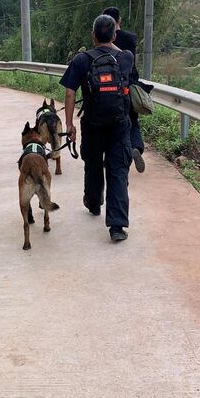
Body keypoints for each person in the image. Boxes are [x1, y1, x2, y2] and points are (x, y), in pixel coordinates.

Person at [60, 14, 134, 242]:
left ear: (92, 36)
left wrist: (69, 123)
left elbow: (70, 92)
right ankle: (117, 226)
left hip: (92, 123)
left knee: (93, 164)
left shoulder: (82, 60)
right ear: (114, 35)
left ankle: (93, 203)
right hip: (119, 124)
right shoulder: (126, 57)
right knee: (117, 170)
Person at [103, 6, 145, 173]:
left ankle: (110, 156)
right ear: (119, 20)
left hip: (106, 87)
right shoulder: (130, 38)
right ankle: (135, 147)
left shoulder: (103, 38)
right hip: (127, 85)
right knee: (132, 120)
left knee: (108, 123)